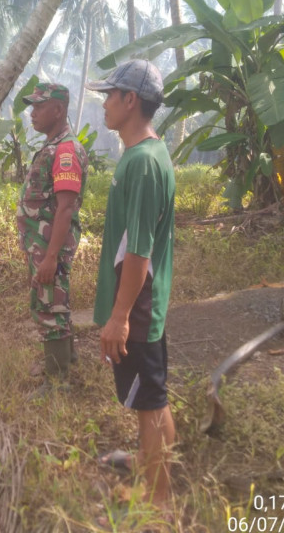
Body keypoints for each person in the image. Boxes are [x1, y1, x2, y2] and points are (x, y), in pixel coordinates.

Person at [86, 60, 176, 513]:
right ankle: (146, 460)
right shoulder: (150, 152)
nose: (104, 103)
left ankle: (157, 504)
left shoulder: (141, 163)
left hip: (137, 308)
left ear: (130, 101)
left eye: (110, 95)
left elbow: (138, 254)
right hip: (146, 304)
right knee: (154, 395)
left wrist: (119, 318)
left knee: (149, 405)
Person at [17, 82, 88, 383]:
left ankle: (58, 381)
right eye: (32, 106)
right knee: (54, 300)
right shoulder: (52, 146)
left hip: (50, 247)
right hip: (42, 245)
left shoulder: (65, 150)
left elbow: (66, 209)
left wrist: (51, 257)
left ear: (58, 110)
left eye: (39, 106)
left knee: (50, 306)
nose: (32, 113)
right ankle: (65, 357)